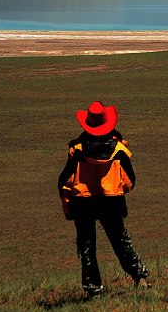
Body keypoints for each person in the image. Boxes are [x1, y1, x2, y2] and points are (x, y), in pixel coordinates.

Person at [58, 100, 150, 297]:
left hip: (83, 202)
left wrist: (68, 206)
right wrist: (113, 186)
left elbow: (64, 181)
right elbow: (129, 181)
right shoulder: (119, 150)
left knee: (87, 245)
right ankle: (139, 276)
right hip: (111, 201)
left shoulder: (77, 150)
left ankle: (94, 290)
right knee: (120, 239)